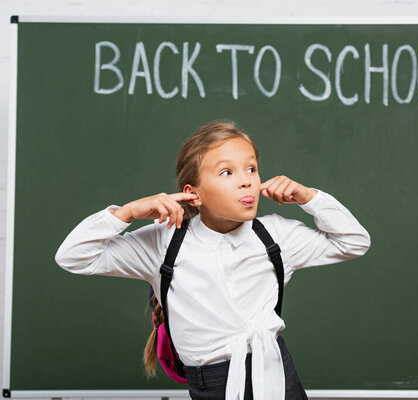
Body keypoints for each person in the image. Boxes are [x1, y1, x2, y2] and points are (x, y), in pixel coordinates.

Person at [54, 120, 371, 400]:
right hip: (213, 384)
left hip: (276, 374)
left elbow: (354, 242)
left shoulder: (275, 235)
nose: (246, 181)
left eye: (251, 168)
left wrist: (309, 198)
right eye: (227, 172)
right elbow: (73, 256)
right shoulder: (164, 242)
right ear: (194, 193)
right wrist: (126, 213)